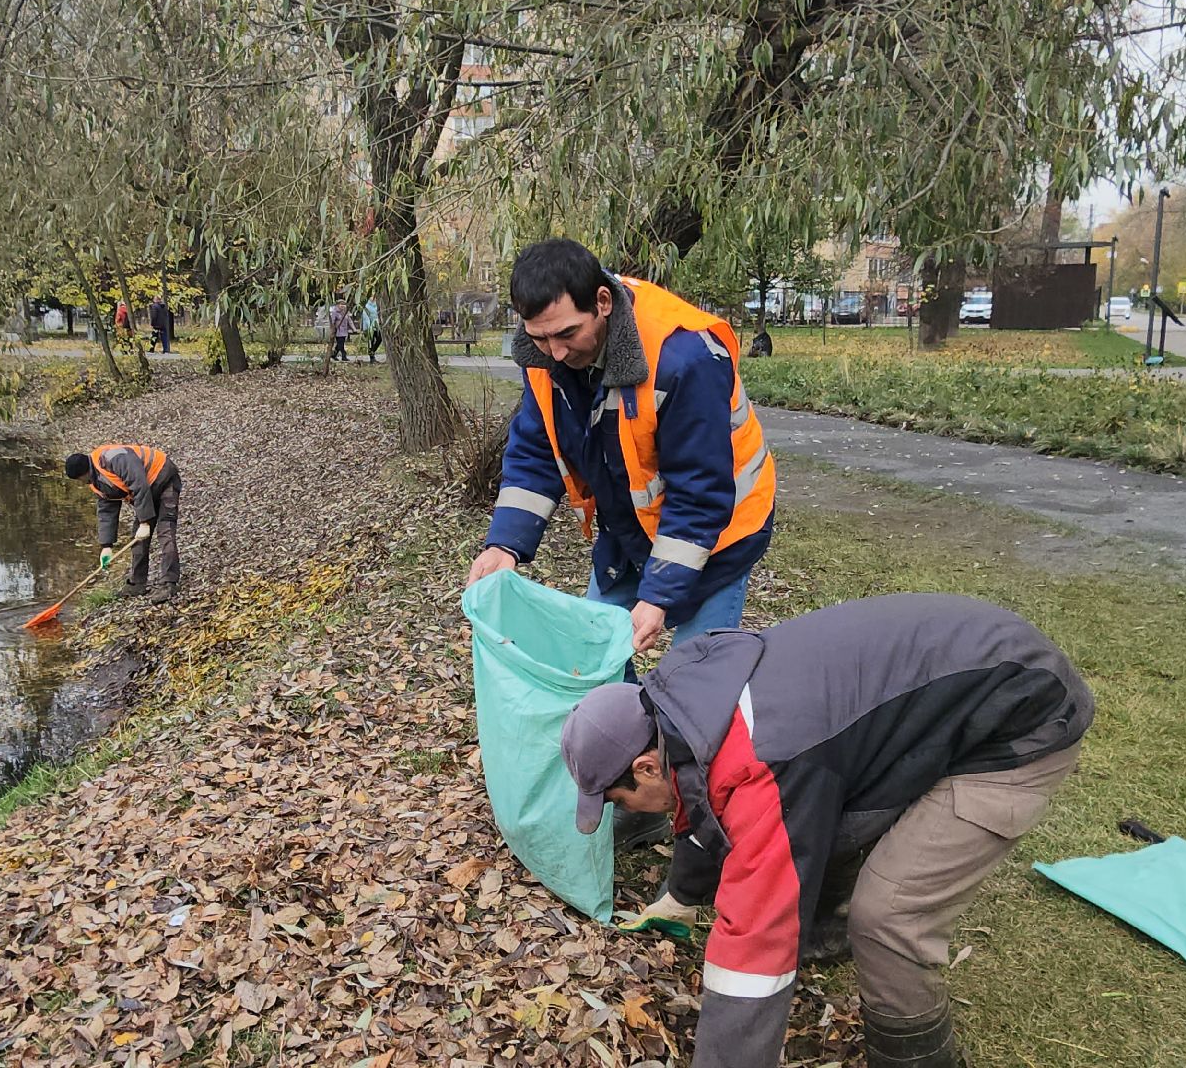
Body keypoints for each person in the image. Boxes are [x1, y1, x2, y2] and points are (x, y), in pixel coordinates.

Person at [561, 593, 1093, 1068]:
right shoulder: (687, 706)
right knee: (817, 827)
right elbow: (700, 802)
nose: (624, 810)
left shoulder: (764, 761)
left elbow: (755, 942)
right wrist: (681, 895)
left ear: (646, 768)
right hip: (947, 684)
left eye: (618, 800)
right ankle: (823, 929)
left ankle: (917, 1058)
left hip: (1021, 712)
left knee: (887, 916)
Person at [467, 237, 777, 843]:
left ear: (603, 303)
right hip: (628, 532)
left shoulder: (684, 357)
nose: (556, 352)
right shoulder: (545, 355)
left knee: (696, 687)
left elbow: (700, 495)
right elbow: (535, 450)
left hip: (720, 536)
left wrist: (659, 596)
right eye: (540, 338)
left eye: (567, 334)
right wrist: (506, 544)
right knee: (597, 667)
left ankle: (698, 817)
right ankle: (634, 791)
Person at [64, 444, 182, 601]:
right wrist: (106, 546)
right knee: (138, 539)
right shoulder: (95, 481)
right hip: (147, 491)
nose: (81, 483)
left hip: (163, 477)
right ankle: (137, 583)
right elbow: (107, 510)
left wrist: (145, 522)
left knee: (165, 531)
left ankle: (169, 583)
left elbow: (139, 484)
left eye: (79, 479)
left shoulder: (114, 458)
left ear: (83, 473)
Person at [363, 298, 382, 362]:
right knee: (371, 341)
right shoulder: (367, 306)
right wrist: (367, 327)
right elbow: (365, 318)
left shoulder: (378, 305)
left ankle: (373, 351)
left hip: (377, 327)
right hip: (370, 327)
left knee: (379, 339)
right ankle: (371, 357)